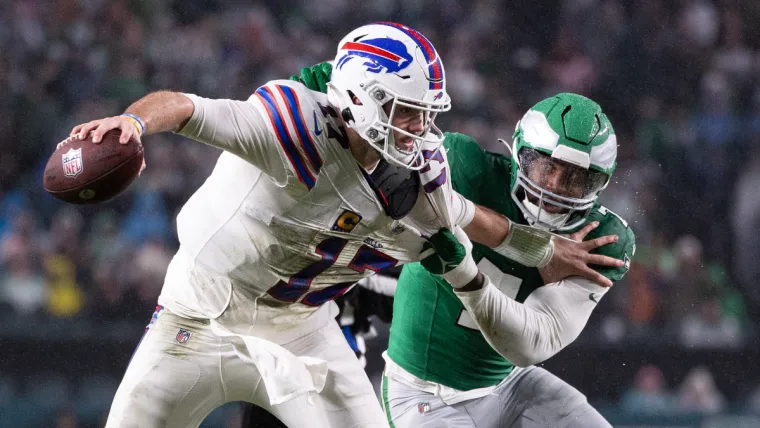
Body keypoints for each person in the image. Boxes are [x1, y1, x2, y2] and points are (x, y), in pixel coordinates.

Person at [66, 23, 622, 427]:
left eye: (427, 113)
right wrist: (134, 122)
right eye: (406, 111)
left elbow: (470, 219)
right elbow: (188, 107)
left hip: (301, 327)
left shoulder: (419, 172)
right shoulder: (288, 126)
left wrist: (540, 249)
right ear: (358, 99)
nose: (419, 128)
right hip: (200, 311)